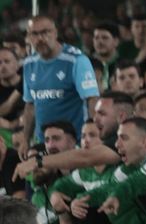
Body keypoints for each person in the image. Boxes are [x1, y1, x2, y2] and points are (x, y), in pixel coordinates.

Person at [19, 16, 100, 150]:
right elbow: (30, 105)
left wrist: (94, 136)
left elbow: (92, 100)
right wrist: (25, 139)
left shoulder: (76, 61)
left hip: (74, 141)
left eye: (45, 32)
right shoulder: (29, 64)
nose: (40, 38)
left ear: (55, 33)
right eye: (35, 34)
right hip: (43, 142)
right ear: (28, 37)